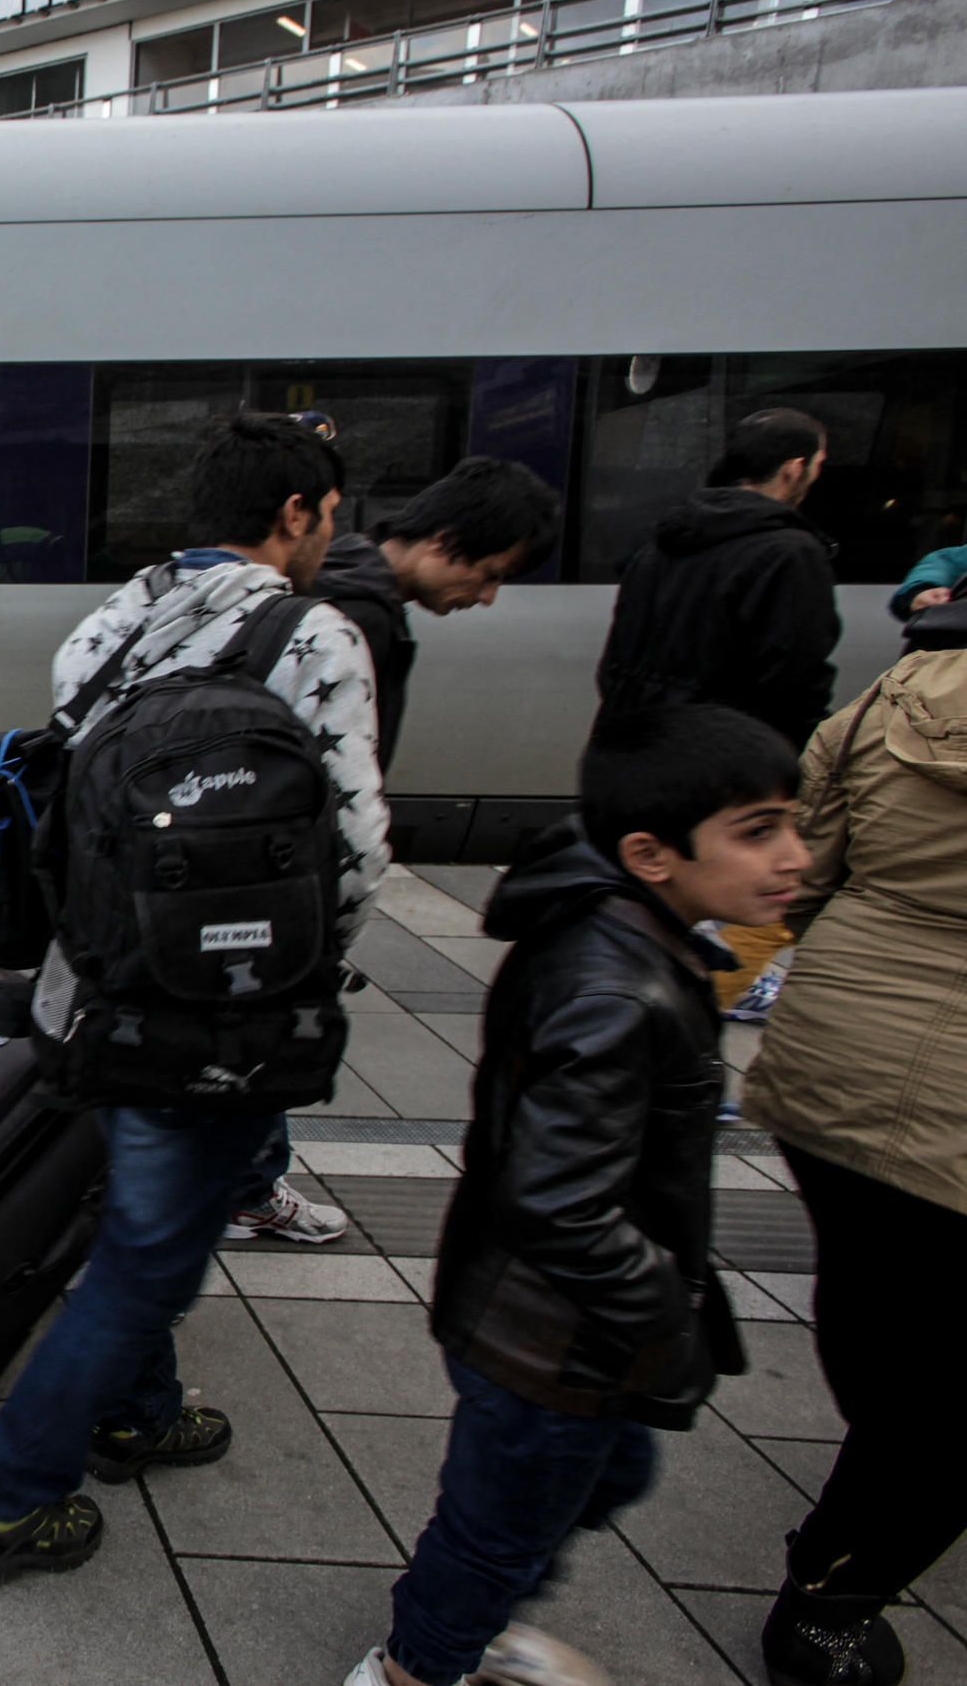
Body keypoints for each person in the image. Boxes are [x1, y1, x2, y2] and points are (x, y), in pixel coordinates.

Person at [0, 412, 388, 1581]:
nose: (328, 536)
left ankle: (137, 1410)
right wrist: (293, 984)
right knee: (151, 1252)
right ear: (293, 513)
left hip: (89, 986)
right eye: (328, 516)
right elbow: (357, 845)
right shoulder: (315, 634)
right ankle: (9, 1495)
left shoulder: (114, 617)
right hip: (218, 1013)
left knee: (141, 1212)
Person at [342, 706, 802, 1686]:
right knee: (502, 1518)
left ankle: (472, 1620)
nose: (793, 855)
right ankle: (418, 1664)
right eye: (757, 829)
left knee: (585, 1481)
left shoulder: (624, 938)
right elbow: (561, 1200)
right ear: (650, 853)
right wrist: (658, 1309)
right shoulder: (613, 981)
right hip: (552, 1332)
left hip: (549, 1318)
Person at [227, 454, 566, 1247]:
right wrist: (334, 922)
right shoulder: (360, 615)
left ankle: (243, 1178)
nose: (483, 597)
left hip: (253, 867)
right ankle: (246, 1184)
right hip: (285, 873)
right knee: (265, 1028)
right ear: (444, 539)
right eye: (488, 573)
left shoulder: (335, 577)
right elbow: (344, 793)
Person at [738, 644, 967, 1686]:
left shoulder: (900, 687)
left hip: (836, 1048)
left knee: (879, 1297)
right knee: (939, 1388)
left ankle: (880, 1446)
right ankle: (831, 1603)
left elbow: (792, 865)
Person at [596, 408, 839, 1018]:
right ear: (795, 468)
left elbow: (617, 658)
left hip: (639, 745)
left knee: (643, 904)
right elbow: (797, 679)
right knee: (767, 893)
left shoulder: (663, 541)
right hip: (730, 767)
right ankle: (680, 1018)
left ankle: (633, 1015)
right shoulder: (789, 551)